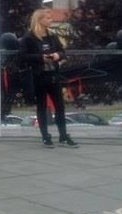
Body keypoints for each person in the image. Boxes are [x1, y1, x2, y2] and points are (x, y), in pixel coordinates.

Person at [19, 9, 78, 148]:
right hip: (38, 76)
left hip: (53, 75)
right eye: (48, 17)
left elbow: (63, 52)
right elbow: (22, 57)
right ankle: (45, 136)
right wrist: (40, 58)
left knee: (60, 106)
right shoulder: (29, 37)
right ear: (39, 20)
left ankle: (63, 136)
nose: (51, 20)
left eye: (51, 17)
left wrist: (58, 55)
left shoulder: (52, 36)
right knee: (42, 107)